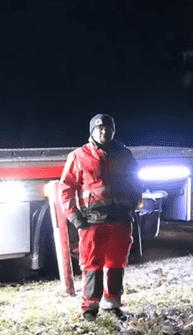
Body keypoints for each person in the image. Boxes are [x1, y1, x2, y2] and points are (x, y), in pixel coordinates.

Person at [59, 114, 142, 321]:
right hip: (92, 222)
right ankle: (89, 308)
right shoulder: (78, 156)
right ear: (92, 131)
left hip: (121, 220)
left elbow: (136, 181)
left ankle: (112, 303)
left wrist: (132, 205)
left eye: (107, 128)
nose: (103, 132)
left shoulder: (125, 155)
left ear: (114, 131)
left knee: (117, 263)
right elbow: (66, 188)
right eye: (99, 128)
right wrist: (76, 218)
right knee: (91, 265)